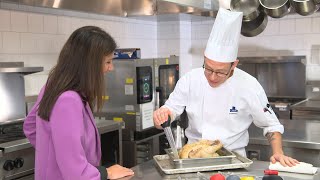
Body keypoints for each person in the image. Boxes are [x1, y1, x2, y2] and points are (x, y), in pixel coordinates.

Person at [153, 8, 299, 167]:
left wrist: (278, 152)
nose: (212, 77)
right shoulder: (190, 79)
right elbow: (171, 110)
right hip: (192, 159)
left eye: (220, 72)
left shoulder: (249, 85)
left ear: (234, 65)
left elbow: (271, 125)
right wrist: (162, 116)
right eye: (208, 68)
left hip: (233, 162)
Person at [24, 26, 134, 180]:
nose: (111, 68)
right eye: (108, 62)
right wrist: (106, 172)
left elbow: (30, 127)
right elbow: (76, 173)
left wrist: (56, 157)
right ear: (89, 64)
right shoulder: (68, 100)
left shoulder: (53, 85)